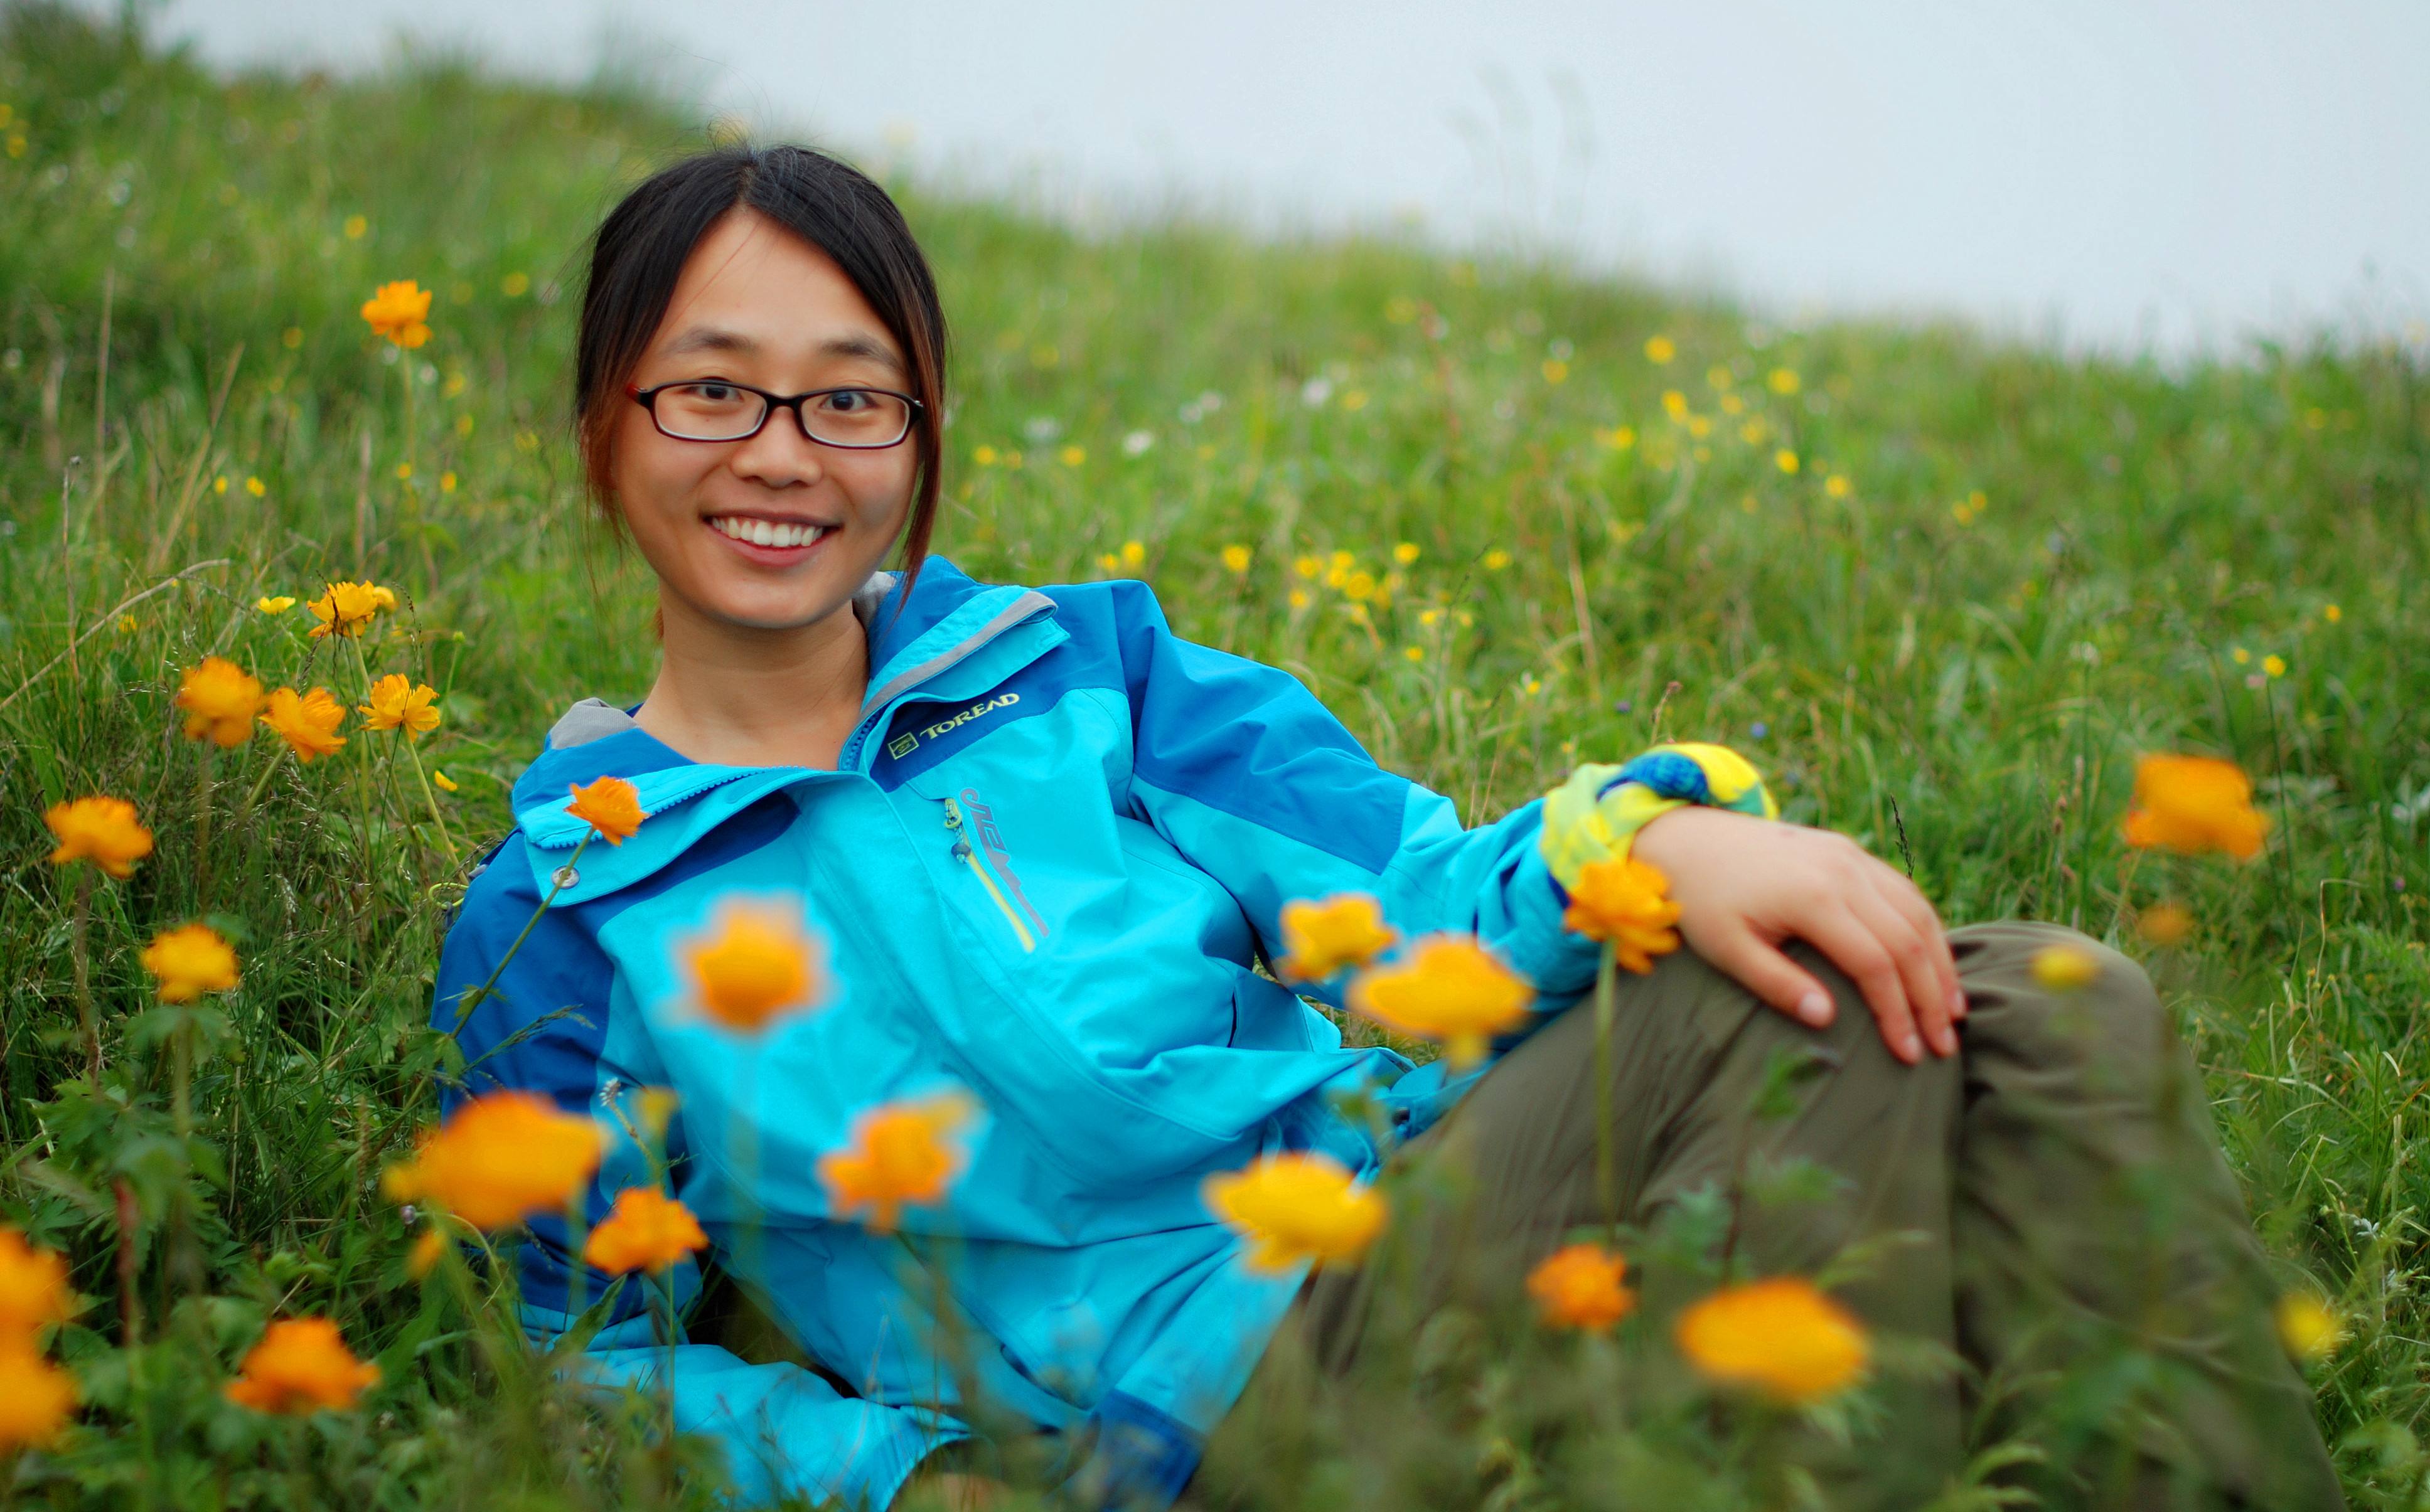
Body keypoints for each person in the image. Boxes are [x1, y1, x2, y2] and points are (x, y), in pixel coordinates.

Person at [431, 144, 2342, 1511]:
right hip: (1179, 1426)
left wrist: (1650, 848)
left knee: (2046, 1005)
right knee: (1790, 1013)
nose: (783, 455)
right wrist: (901, 1486)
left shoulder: (1079, 673)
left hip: (1391, 1214)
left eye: (853, 403)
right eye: (714, 391)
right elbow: (583, 1355)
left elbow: (1415, 894)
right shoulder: (567, 920)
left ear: (922, 444)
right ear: (609, 424)